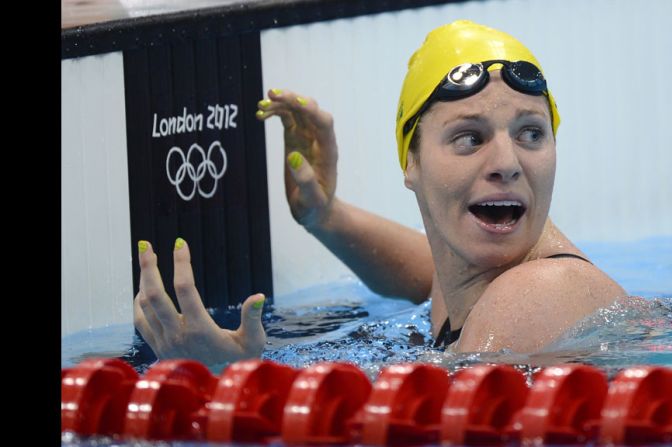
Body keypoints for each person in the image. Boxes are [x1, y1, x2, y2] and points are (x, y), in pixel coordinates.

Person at [133, 20, 627, 365]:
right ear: (410, 162)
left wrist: (229, 379)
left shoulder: (534, 295)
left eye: (531, 133)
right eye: (470, 138)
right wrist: (324, 216)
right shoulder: (474, 270)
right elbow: (424, 268)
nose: (507, 164)